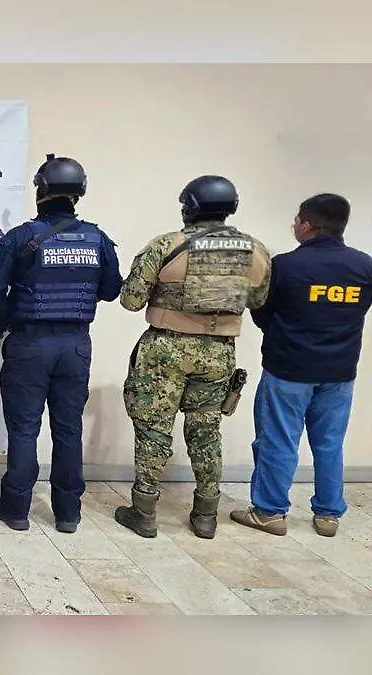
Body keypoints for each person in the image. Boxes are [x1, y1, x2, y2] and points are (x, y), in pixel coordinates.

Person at [113, 175, 271, 539]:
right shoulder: (255, 251)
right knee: (206, 432)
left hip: (164, 352)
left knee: (153, 429)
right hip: (218, 354)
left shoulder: (166, 245)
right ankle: (205, 515)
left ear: (189, 207)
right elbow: (259, 301)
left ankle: (144, 512)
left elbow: (131, 300)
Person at [0, 153, 123, 533]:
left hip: (30, 345)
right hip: (75, 346)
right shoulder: (97, 238)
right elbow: (112, 290)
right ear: (79, 192)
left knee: (24, 430)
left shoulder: (21, 237)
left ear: (40, 191)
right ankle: (67, 513)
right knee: (69, 429)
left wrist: (13, 316)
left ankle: (16, 509)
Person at [230, 193, 370, 537]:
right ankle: (328, 515)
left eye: (296, 220)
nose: (294, 225)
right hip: (339, 373)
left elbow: (262, 313)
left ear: (307, 225)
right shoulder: (365, 266)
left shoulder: (286, 266)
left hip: (288, 370)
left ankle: (269, 512)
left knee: (277, 442)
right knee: (329, 444)